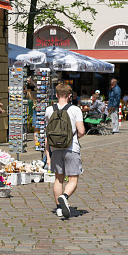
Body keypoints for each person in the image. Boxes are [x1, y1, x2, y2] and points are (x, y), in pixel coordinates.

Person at [45, 83, 85, 219]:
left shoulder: (49, 110)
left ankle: (58, 209)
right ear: (70, 96)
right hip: (71, 148)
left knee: (58, 179)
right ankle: (64, 196)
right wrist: (74, 137)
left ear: (56, 95)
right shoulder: (75, 110)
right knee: (73, 179)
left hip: (55, 149)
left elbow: (47, 133)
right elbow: (81, 131)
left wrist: (47, 154)